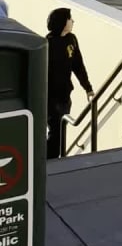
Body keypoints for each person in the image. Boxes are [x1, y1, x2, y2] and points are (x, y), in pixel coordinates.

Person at [46, 8, 93, 160]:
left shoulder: (71, 39)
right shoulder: (48, 44)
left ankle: (56, 160)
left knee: (60, 132)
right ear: (62, 22)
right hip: (51, 98)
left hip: (65, 96)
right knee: (55, 133)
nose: (72, 21)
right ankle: (50, 162)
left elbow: (78, 65)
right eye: (70, 18)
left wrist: (88, 88)